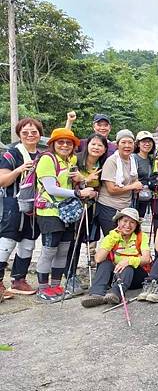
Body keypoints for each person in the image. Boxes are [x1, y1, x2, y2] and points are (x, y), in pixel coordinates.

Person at [34, 128, 96, 302]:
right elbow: (51, 188)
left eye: (69, 142)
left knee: (63, 250)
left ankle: (55, 286)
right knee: (49, 250)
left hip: (66, 212)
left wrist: (81, 181)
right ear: (53, 144)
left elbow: (71, 183)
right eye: (60, 142)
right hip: (49, 211)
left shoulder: (71, 160)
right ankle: (43, 289)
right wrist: (78, 194)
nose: (65, 145)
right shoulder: (47, 159)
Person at [0, 118, 43, 299]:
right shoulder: (11, 154)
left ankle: (19, 280)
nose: (30, 135)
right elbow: (3, 181)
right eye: (25, 132)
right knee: (7, 242)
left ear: (40, 134)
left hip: (35, 206)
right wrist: (19, 170)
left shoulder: (43, 156)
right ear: (19, 135)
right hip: (13, 204)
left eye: (34, 132)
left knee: (28, 243)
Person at [63, 132, 108, 293]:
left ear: (104, 149)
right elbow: (67, 181)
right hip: (72, 207)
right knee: (72, 241)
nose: (96, 147)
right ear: (87, 145)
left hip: (90, 208)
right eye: (93, 144)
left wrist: (93, 190)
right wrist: (85, 181)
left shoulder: (102, 165)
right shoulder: (76, 160)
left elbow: (99, 188)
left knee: (86, 239)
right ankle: (69, 276)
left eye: (100, 145)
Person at [81, 208, 151, 307]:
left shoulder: (141, 236)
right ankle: (96, 294)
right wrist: (113, 238)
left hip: (135, 276)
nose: (128, 225)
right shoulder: (111, 236)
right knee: (105, 263)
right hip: (116, 275)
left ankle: (116, 294)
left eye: (132, 222)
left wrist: (128, 261)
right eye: (125, 221)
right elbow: (98, 259)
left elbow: (146, 259)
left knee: (128, 267)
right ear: (118, 221)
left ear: (136, 225)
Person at [96, 129, 141, 235]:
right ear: (117, 144)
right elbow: (111, 189)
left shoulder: (133, 160)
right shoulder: (111, 161)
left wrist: (137, 186)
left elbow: (134, 179)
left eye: (130, 143)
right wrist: (132, 186)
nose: (127, 146)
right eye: (123, 142)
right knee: (113, 239)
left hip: (125, 207)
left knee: (124, 240)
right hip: (109, 206)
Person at [133, 130, 157, 220]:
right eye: (144, 141)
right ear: (138, 144)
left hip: (145, 196)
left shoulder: (151, 160)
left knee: (140, 221)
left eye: (149, 141)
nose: (147, 144)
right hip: (134, 197)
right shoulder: (133, 158)